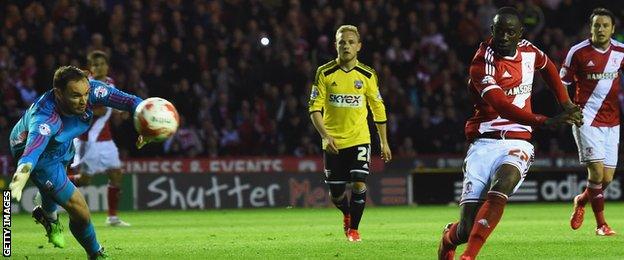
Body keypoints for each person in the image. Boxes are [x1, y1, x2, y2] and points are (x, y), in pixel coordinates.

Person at [437, 7, 583, 259]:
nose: (503, 37)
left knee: (503, 183)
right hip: (483, 143)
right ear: (491, 31)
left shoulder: (528, 50)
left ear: (519, 34)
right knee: (466, 228)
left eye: (510, 32)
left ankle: (469, 256)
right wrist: (544, 121)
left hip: (518, 141)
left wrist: (567, 103)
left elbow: (548, 66)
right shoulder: (482, 63)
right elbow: (503, 106)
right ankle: (449, 238)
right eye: (499, 31)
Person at [8, 66, 152, 259]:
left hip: (63, 141)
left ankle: (48, 217)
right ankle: (95, 253)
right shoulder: (44, 117)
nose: (84, 100)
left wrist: (145, 123)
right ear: (59, 93)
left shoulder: (92, 90)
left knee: (56, 186)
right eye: (76, 95)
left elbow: (130, 101)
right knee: (81, 211)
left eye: (85, 93)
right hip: (37, 154)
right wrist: (21, 175)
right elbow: (33, 150)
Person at [308, 25, 392, 242]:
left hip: (360, 138)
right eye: (342, 42)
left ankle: (354, 229)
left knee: (358, 182)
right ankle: (346, 213)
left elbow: (378, 108)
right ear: (335, 45)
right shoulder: (324, 73)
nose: (346, 45)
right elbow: (314, 108)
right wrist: (326, 136)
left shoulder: (367, 75)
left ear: (359, 46)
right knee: (336, 194)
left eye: (350, 42)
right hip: (333, 141)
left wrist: (384, 142)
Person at [562, 8, 623, 236]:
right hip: (585, 119)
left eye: (605, 25)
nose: (601, 29)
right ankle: (601, 225)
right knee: (596, 174)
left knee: (606, 178)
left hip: (612, 122)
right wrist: (568, 108)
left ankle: (581, 200)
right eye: (597, 25)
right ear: (591, 28)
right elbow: (562, 83)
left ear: (612, 29)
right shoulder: (577, 52)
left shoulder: (621, 51)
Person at [70, 51, 130, 226]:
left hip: (106, 139)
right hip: (88, 139)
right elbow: (78, 110)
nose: (99, 67)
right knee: (84, 180)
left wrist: (121, 111)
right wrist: (96, 112)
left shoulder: (110, 83)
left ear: (107, 66)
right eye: (95, 65)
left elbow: (113, 104)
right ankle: (50, 188)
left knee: (116, 174)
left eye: (102, 64)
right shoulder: (84, 85)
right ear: (90, 68)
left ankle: (112, 217)